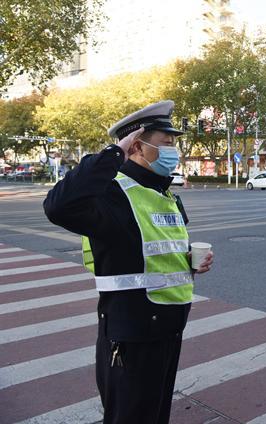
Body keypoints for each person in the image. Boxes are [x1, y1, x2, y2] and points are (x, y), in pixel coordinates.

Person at [43, 100, 214, 424]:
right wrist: (113, 153)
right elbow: (58, 206)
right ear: (138, 146)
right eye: (166, 143)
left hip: (168, 328)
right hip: (132, 336)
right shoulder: (112, 192)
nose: (173, 151)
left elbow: (149, 251)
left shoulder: (161, 192)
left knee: (155, 415)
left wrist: (189, 262)